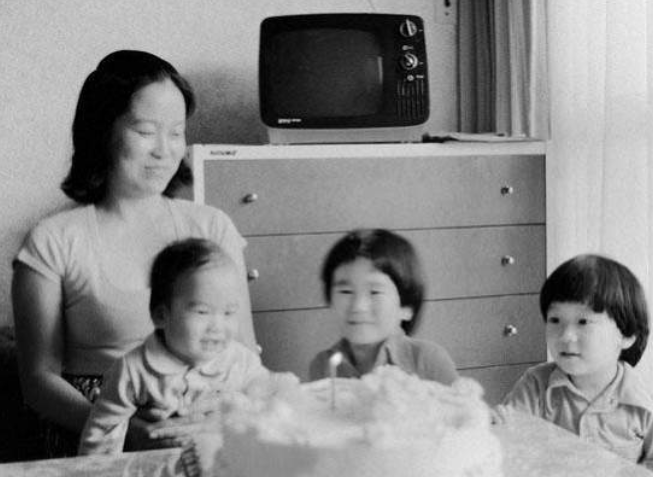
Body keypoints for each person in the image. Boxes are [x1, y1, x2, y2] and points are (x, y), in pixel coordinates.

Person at [11, 50, 257, 457]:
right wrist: (124, 428)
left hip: (202, 426)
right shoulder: (53, 240)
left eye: (176, 132)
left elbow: (243, 351)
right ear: (102, 132)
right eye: (145, 131)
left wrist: (211, 419)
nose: (165, 150)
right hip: (93, 433)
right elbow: (38, 382)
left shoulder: (212, 228)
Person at [78, 238, 268, 455]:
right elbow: (102, 437)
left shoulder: (242, 362)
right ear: (161, 315)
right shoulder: (133, 370)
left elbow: (273, 411)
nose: (217, 326)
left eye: (229, 312)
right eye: (202, 312)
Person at [501, 254, 653, 469]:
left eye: (583, 322)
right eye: (555, 320)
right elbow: (507, 450)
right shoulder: (535, 387)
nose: (566, 335)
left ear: (626, 335)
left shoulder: (644, 402)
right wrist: (491, 427)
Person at [308, 229, 458, 384]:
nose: (358, 306)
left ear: (406, 307)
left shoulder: (428, 361)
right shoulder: (323, 365)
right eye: (346, 291)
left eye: (375, 292)